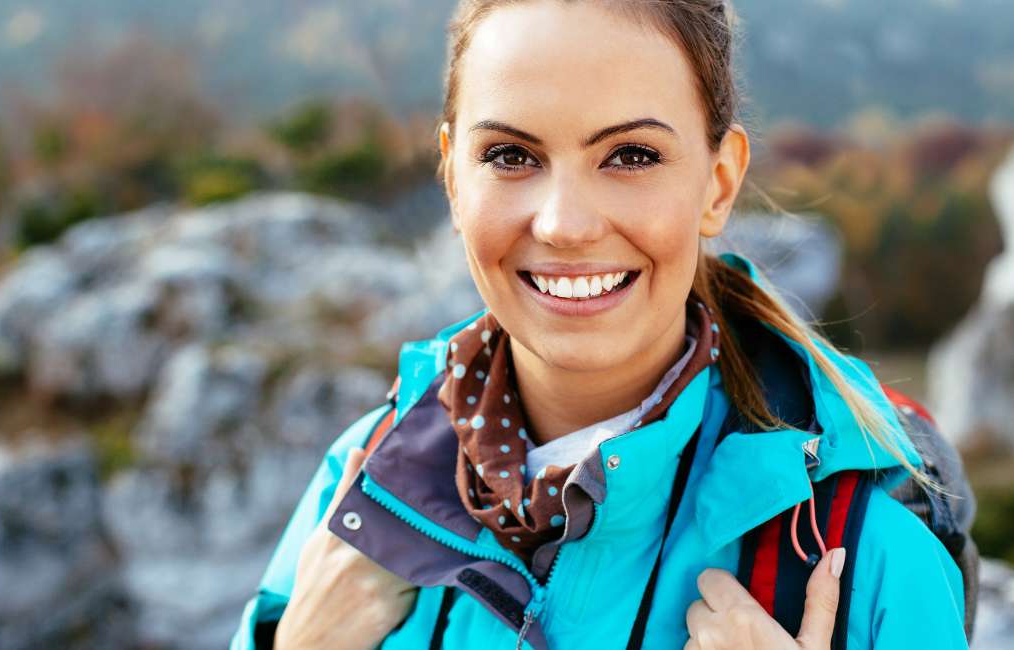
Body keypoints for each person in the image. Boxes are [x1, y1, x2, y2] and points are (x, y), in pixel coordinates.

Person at [231, 1, 970, 648]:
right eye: (511, 155)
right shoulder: (365, 484)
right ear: (453, 175)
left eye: (631, 156)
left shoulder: (859, 550)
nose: (564, 225)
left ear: (718, 184)